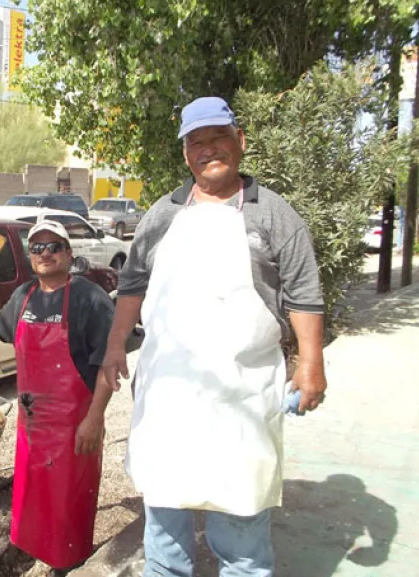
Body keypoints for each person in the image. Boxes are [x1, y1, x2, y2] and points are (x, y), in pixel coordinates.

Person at [101, 97, 328, 577]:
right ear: (186, 154)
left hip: (240, 398)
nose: (209, 150)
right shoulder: (162, 214)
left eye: (218, 138)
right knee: (164, 533)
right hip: (169, 396)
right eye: (197, 142)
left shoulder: (273, 215)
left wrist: (311, 365)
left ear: (239, 142)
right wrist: (116, 344)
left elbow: (304, 292)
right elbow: (133, 284)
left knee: (242, 534)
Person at [0, 220, 115, 570]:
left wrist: (94, 419)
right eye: (37, 247)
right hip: (32, 428)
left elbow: (109, 365)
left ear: (69, 253)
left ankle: (73, 563)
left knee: (68, 508)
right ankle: (44, 560)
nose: (46, 253)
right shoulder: (24, 296)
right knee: (35, 503)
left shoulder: (89, 298)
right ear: (30, 256)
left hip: (74, 428)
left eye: (54, 246)